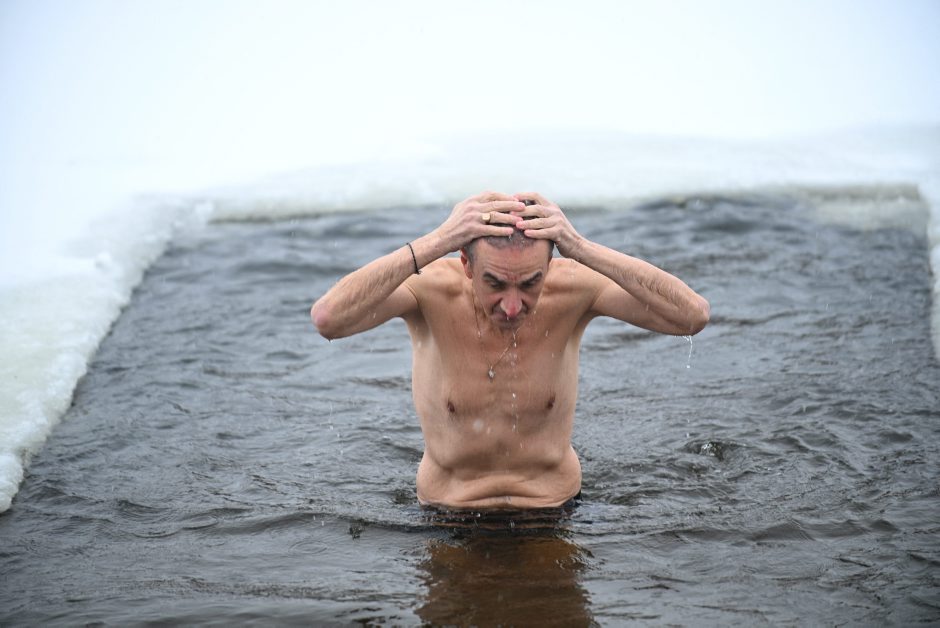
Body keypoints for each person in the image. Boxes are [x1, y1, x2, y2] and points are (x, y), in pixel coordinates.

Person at [311, 191, 709, 510]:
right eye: (496, 284)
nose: (513, 306)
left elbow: (691, 316)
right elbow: (330, 318)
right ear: (466, 264)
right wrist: (439, 240)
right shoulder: (429, 290)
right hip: (447, 515)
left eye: (531, 283)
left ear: (550, 266)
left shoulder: (575, 288)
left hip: (554, 510)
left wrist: (579, 246)